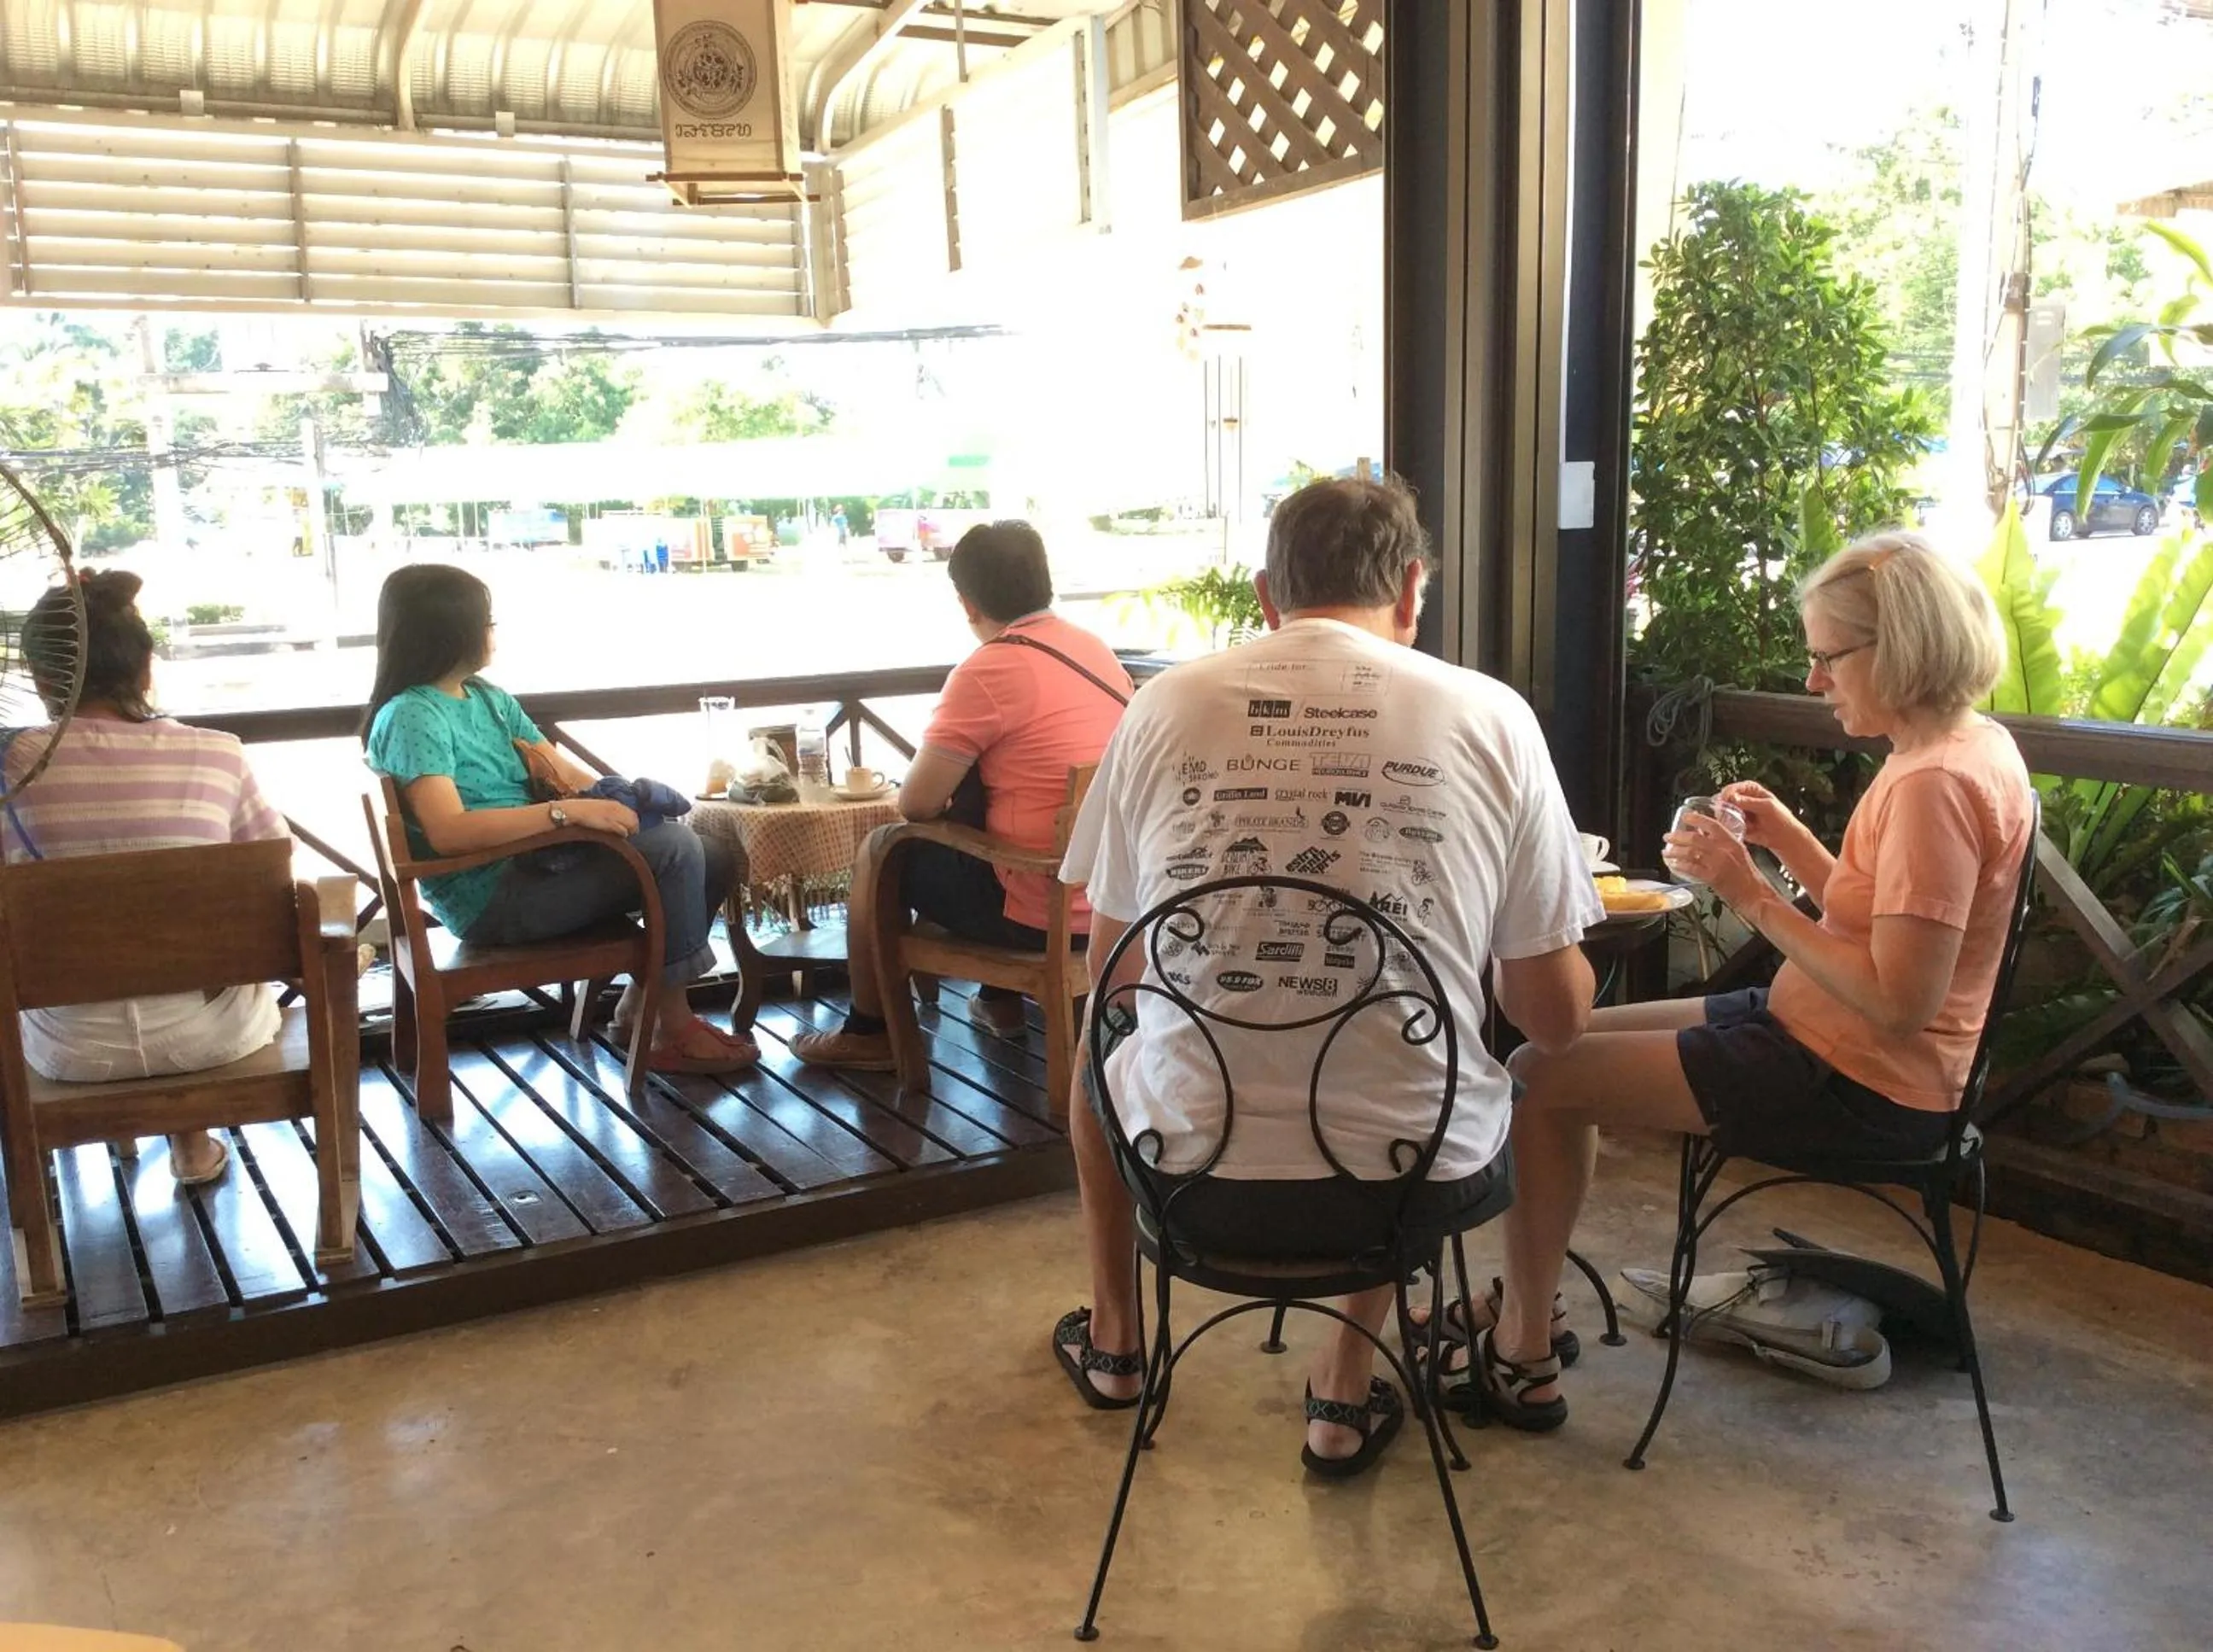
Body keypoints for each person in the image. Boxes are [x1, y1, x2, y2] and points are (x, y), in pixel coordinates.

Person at [1051, 476, 1601, 1475]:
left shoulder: (1162, 704)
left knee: (1099, 1038)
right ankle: (1344, 1387)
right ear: (1414, 589)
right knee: (1402, 1079)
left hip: (1186, 1177)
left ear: (1267, 594)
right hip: (1407, 1188)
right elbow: (1553, 1022)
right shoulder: (1496, 717)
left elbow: (1118, 975)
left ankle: (1119, 1344)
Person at [1480, 530, 2035, 1433]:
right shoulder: (1967, 747)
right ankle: (1529, 1293)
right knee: (1559, 1034)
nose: (1815, 682)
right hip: (1821, 1034)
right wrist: (1786, 847)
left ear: (1897, 650)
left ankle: (1523, 1342)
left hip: (1863, 1081)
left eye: (1827, 658)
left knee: (1540, 1080)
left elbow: (1902, 1001)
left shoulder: (1933, 785)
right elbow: (1877, 916)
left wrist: (1745, 892)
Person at [363, 563, 754, 1074]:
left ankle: (641, 1006)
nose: (491, 633)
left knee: (712, 852)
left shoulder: (486, 698)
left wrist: (620, 801)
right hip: (494, 894)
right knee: (677, 849)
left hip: (540, 868)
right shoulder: (413, 715)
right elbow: (448, 831)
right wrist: (565, 813)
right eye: (486, 621)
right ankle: (673, 1024)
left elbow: (565, 773)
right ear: (450, 629)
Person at [792, 521, 1130, 1069]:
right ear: (1044, 581)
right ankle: (999, 1003)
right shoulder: (1093, 650)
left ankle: (869, 1029)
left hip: (1045, 909)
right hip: (1116, 898)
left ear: (967, 603)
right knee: (1002, 820)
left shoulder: (990, 668)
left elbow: (917, 805)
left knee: (879, 854)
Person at [3, 570, 286, 1187]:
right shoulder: (219, 751)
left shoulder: (12, 767)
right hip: (210, 1036)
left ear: (42, 677)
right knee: (190, 968)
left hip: (70, 1048)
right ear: (146, 666)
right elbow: (273, 879)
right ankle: (192, 1140)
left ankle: (113, 1139)